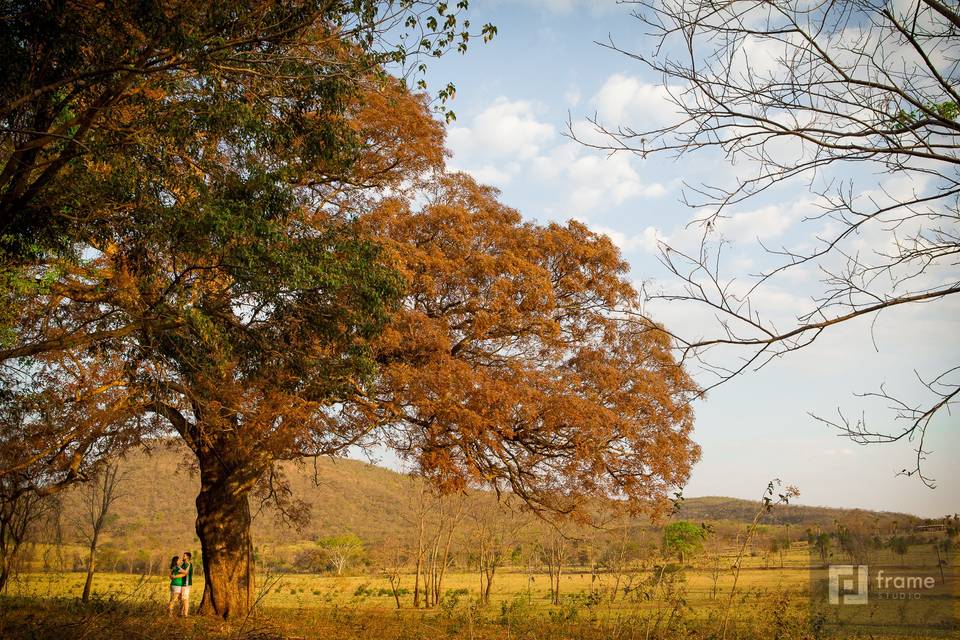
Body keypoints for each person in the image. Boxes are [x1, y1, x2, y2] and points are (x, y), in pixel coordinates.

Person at [180, 552, 194, 617]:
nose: (183, 556)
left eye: (184, 556)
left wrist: (178, 569)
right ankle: (182, 612)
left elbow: (186, 572)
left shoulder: (189, 564)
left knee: (185, 598)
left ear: (188, 557)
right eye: (183, 555)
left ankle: (185, 614)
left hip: (187, 583)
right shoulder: (183, 564)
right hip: (182, 583)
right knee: (182, 598)